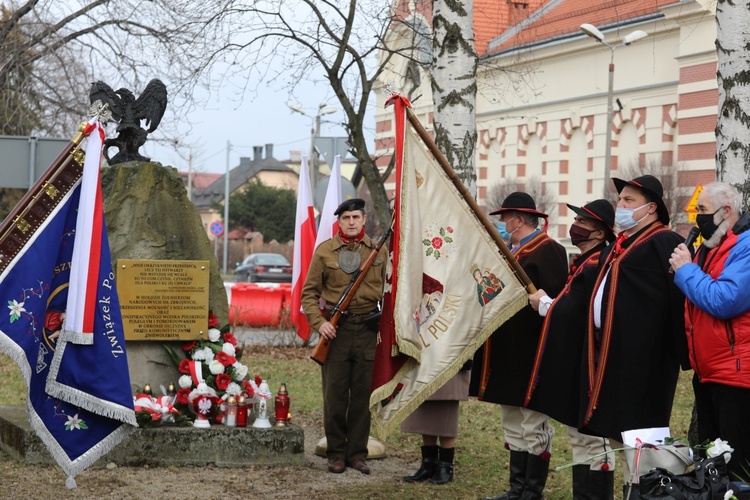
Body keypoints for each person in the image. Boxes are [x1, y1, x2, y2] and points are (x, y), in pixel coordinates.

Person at [581, 175, 689, 489]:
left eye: (629, 201)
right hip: (614, 356)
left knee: (643, 440)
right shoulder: (622, 242)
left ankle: (648, 490)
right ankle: (631, 490)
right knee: (620, 434)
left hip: (646, 360)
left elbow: (675, 299)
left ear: (652, 207)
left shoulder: (664, 241)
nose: (621, 206)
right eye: (621, 200)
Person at [470, 192, 569, 500]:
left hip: (531, 351)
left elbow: (554, 300)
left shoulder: (548, 250)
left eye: (505, 218)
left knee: (532, 421)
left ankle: (532, 491)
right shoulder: (505, 250)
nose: (502, 223)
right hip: (504, 351)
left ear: (519, 219)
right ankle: (517, 489)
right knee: (512, 420)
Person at [526, 199, 617, 499]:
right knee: (580, 438)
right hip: (577, 362)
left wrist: (545, 306)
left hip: (591, 363)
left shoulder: (597, 265)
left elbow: (578, 312)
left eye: (584, 223)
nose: (576, 226)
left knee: (594, 442)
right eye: (576, 220)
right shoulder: (585, 262)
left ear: (600, 233)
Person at [669, 182, 750, 479]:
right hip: (710, 373)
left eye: (702, 211)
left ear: (725, 211)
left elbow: (725, 300)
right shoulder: (711, 247)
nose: (697, 219)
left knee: (736, 469)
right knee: (715, 467)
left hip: (737, 378)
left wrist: (686, 270)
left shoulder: (746, 246)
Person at [301, 198, 388, 475]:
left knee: (362, 396)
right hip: (335, 332)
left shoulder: (379, 251)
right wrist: (320, 324)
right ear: (338, 222)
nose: (351, 222)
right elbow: (309, 294)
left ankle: (357, 455)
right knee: (335, 395)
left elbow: (390, 290)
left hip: (367, 331)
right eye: (346, 218)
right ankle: (337, 453)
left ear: (364, 220)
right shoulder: (325, 252)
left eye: (356, 217)